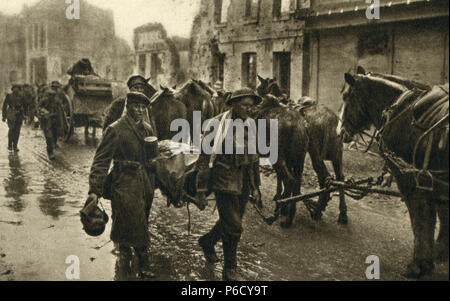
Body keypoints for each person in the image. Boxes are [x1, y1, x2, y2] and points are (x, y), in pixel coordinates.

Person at [85, 92, 157, 279]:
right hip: (123, 181)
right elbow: (101, 161)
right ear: (128, 106)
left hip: (143, 182)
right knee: (135, 220)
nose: (140, 110)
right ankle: (141, 261)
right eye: (136, 106)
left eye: (143, 107)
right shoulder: (115, 129)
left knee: (139, 218)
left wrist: (153, 161)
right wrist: (95, 190)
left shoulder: (148, 129)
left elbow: (150, 158)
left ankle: (126, 251)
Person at [198, 87, 262, 281]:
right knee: (234, 225)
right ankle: (230, 270)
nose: (249, 109)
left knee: (233, 220)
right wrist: (201, 189)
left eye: (251, 106)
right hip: (223, 177)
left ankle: (207, 241)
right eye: (245, 105)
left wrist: (256, 187)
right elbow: (203, 158)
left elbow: (254, 159)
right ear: (234, 104)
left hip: (243, 178)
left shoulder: (250, 124)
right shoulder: (217, 124)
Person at [38, 88, 62, 160]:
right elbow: (39, 108)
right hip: (46, 122)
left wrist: (60, 123)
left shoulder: (56, 102)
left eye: (53, 96)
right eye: (50, 95)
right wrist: (43, 112)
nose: (51, 97)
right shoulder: (43, 101)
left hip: (54, 120)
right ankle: (50, 152)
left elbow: (59, 112)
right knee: (49, 137)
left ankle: (53, 145)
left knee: (54, 135)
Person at [2, 83, 25, 152]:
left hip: (19, 115)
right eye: (15, 88)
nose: (16, 89)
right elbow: (4, 106)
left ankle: (15, 145)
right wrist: (4, 116)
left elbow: (25, 106)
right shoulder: (9, 96)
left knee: (17, 131)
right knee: (11, 129)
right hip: (11, 114)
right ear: (12, 89)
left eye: (17, 88)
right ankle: (9, 144)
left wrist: (24, 115)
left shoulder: (21, 96)